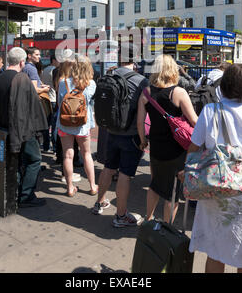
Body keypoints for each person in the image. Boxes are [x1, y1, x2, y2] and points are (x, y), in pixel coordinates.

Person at [179, 64, 242, 273]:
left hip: (216, 188)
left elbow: (194, 148)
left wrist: (188, 172)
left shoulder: (210, 111)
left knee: (215, 251)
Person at [92, 42, 149, 228]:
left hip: (111, 131)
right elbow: (142, 115)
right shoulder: (141, 81)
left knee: (108, 167)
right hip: (130, 133)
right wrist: (143, 139)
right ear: (135, 59)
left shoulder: (109, 75)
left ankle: (99, 202)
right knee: (125, 174)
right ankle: (121, 215)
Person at [137, 54, 198, 223]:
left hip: (156, 146)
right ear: (173, 69)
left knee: (155, 184)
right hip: (177, 150)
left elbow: (140, 122)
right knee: (173, 192)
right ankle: (166, 226)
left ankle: (148, 219)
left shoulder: (146, 93)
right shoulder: (179, 93)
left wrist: (143, 141)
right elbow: (195, 121)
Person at [0, 47, 48, 208]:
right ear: (22, 62)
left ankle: (15, 192)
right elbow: (28, 108)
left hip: (4, 128)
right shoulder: (21, 78)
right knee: (34, 160)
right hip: (22, 130)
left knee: (15, 162)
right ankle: (26, 195)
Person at [56, 54, 97, 197]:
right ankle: (92, 186)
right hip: (82, 124)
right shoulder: (91, 84)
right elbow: (90, 102)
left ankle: (70, 188)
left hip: (65, 124)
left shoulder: (63, 82)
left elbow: (59, 102)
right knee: (86, 154)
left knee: (67, 156)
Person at [41, 54, 59, 152]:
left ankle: (46, 146)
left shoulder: (45, 70)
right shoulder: (55, 71)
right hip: (54, 99)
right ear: (54, 60)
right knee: (54, 126)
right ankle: (55, 147)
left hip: (46, 99)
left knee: (46, 125)